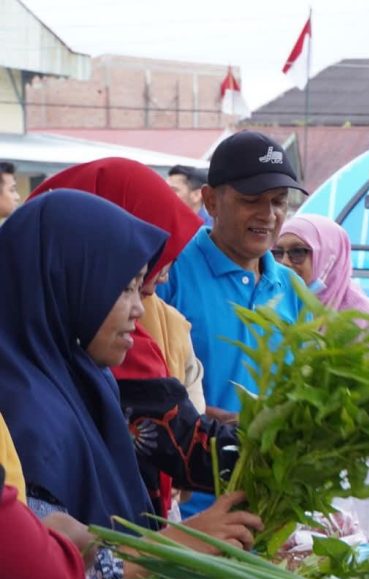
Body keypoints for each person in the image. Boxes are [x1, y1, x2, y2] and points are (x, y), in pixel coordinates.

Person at [0, 190, 260, 549]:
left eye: (140, 286)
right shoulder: (22, 411)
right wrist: (176, 545)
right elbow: (49, 571)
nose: (139, 309)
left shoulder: (87, 378)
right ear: (67, 280)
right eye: (124, 288)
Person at [30, 158, 234, 518]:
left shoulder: (101, 335)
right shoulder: (96, 338)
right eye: (128, 282)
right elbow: (184, 444)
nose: (162, 278)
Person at [158, 131, 308, 515]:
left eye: (278, 202)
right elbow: (141, 389)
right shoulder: (169, 273)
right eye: (251, 200)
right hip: (188, 517)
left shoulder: (292, 289)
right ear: (211, 200)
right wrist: (193, 416)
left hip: (272, 510)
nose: (269, 215)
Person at [276, 214, 369, 375]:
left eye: (297, 252)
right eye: (277, 252)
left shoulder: (366, 318)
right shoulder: (276, 306)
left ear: (329, 257)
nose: (284, 261)